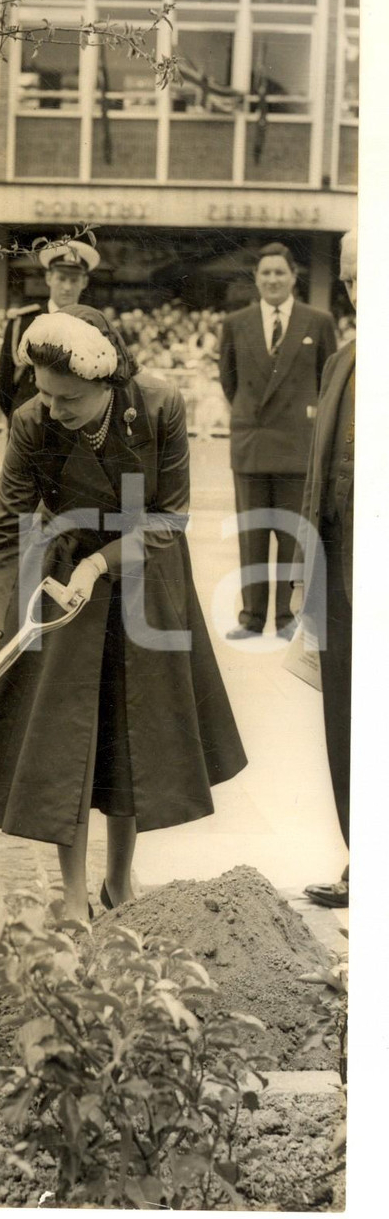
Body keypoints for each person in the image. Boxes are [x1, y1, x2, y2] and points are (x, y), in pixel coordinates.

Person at [0, 306, 247, 922]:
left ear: (108, 385)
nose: (52, 408)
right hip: (60, 584)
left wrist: (98, 565)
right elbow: (6, 531)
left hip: (144, 574)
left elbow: (169, 518)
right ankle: (72, 896)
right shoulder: (33, 421)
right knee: (67, 740)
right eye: (44, 393)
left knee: (132, 732)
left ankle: (119, 884)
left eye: (70, 400)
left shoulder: (160, 405)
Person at [219, 243, 338, 640]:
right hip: (251, 446)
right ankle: (252, 618)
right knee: (251, 534)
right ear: (256, 278)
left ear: (293, 277)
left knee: (291, 536)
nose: (272, 280)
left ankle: (288, 619)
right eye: (265, 273)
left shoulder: (317, 322)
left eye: (280, 273)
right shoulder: (236, 323)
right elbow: (229, 381)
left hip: (296, 447)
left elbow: (329, 383)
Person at [295, 228, 356, 910]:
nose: (365, 291)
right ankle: (360, 857)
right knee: (343, 719)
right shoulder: (341, 361)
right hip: (340, 573)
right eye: (353, 281)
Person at [0, 240, 100, 422]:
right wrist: (18, 418)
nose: (67, 286)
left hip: (73, 429)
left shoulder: (92, 325)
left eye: (73, 280)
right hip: (28, 423)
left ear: (84, 282)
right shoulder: (23, 321)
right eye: (61, 278)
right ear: (49, 278)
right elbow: (2, 384)